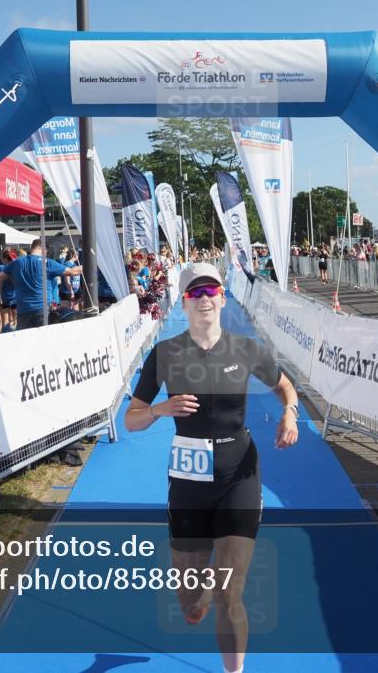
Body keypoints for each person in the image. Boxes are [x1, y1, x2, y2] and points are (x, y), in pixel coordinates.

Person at [125, 263, 298, 673]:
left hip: (240, 473)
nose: (204, 299)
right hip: (188, 482)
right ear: (183, 303)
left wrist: (289, 413)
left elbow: (283, 384)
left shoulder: (246, 348)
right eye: (194, 293)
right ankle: (197, 594)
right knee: (189, 600)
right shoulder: (165, 355)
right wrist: (160, 409)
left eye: (211, 292)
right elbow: (131, 420)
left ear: (222, 298)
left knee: (229, 593)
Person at [0, 238, 82, 330]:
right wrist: (92, 262)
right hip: (42, 309)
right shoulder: (47, 262)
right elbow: (73, 271)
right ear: (44, 250)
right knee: (43, 339)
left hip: (23, 309)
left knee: (26, 339)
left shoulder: (16, 262)